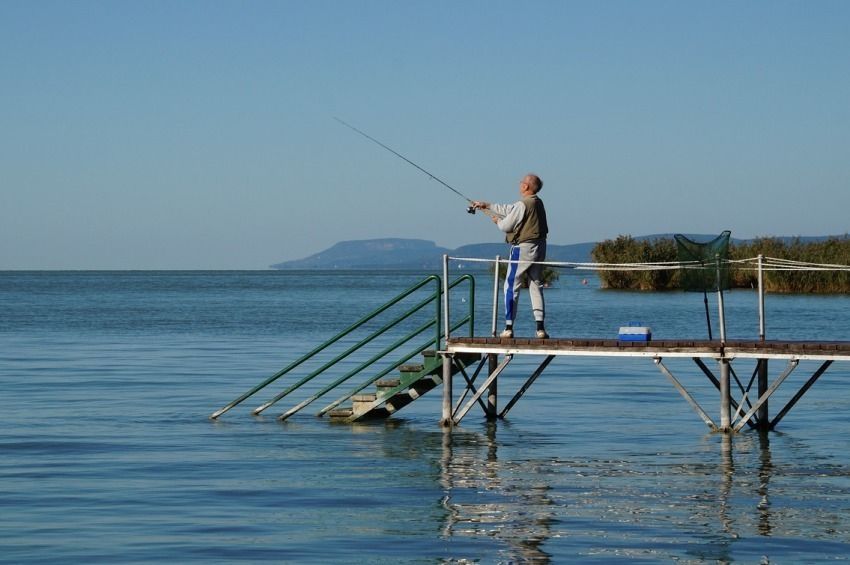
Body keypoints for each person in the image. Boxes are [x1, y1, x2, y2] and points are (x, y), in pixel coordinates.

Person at [472, 173, 549, 339]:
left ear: (526, 186)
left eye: (521, 182)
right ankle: (540, 328)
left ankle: (508, 327)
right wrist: (486, 205)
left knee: (511, 285)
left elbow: (506, 225)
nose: (519, 184)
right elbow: (510, 209)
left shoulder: (523, 204)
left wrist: (497, 222)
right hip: (540, 247)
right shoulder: (537, 202)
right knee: (536, 285)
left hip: (522, 249)